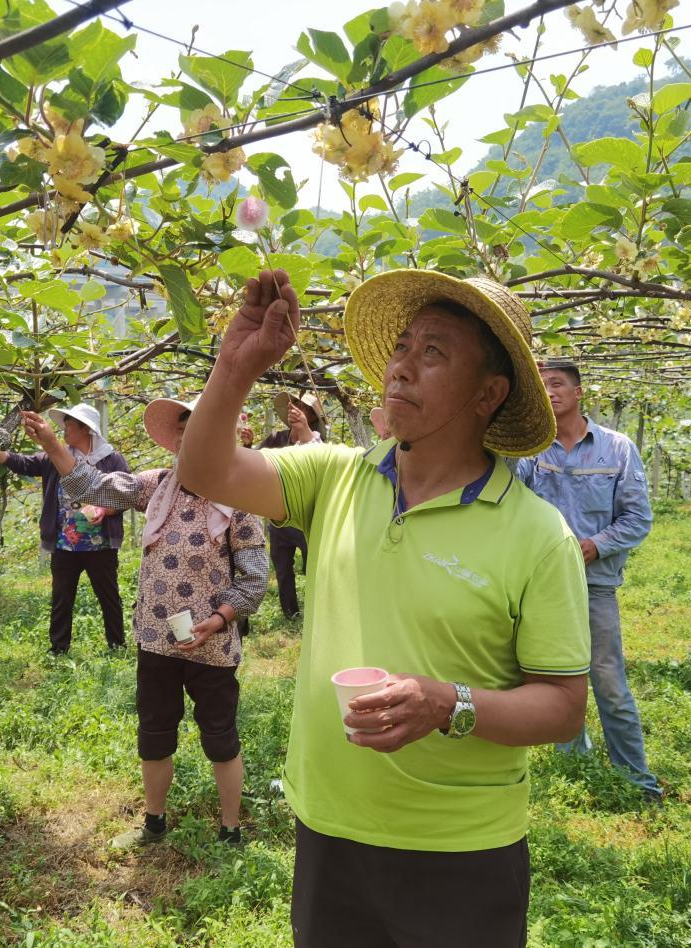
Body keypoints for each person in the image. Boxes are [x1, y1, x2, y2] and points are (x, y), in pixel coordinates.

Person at [179, 268, 591, 947]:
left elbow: (563, 706)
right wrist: (235, 365)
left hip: (461, 852)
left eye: (434, 353)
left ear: (489, 394)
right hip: (328, 830)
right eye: (402, 347)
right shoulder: (336, 477)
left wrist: (448, 703)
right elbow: (206, 470)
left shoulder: (538, 536)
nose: (401, 367)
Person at [18, 398, 268, 848]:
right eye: (188, 435)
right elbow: (93, 486)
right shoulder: (157, 486)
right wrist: (54, 443)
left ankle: (231, 827)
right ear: (178, 441)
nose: (195, 444)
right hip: (156, 640)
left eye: (208, 435)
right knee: (154, 733)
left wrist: (217, 619)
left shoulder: (240, 501)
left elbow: (254, 578)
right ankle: (154, 822)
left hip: (213, 646)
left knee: (220, 736)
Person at [515, 361, 661, 802]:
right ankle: (572, 760)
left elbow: (638, 518)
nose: (549, 392)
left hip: (594, 586)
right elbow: (507, 500)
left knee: (608, 682)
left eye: (556, 384)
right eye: (541, 387)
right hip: (541, 585)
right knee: (551, 675)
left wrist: (594, 546)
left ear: (579, 393)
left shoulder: (616, 449)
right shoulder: (528, 452)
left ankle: (637, 779)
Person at [0, 404, 129, 655]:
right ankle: (58, 648)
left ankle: (117, 644)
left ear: (86, 429)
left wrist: (105, 510)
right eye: (63, 424)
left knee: (108, 595)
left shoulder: (111, 459)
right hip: (65, 543)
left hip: (100, 544)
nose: (63, 430)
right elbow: (25, 464)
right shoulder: (56, 456)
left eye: (69, 425)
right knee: (62, 598)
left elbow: (125, 497)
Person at [259, 392, 325, 619]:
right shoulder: (276, 438)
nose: (295, 409)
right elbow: (254, 462)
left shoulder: (318, 443)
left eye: (302, 406)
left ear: (311, 415)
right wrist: (246, 444)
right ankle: (291, 612)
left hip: (305, 517)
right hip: (278, 519)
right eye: (293, 404)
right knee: (282, 568)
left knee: (313, 567)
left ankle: (318, 612)